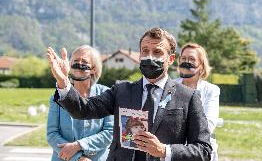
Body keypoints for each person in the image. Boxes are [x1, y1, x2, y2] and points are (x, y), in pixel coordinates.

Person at [47, 27, 212, 161]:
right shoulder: (121, 90)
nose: (149, 56)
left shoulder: (188, 97)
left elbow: (203, 150)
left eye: (157, 52)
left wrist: (164, 151)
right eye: (145, 51)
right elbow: (82, 109)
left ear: (170, 59)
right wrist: (63, 82)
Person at [47, 45, 114, 161]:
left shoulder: (105, 93)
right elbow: (52, 134)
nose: (79, 64)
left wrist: (79, 145)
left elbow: (110, 132)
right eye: (75, 60)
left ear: (93, 68)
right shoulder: (57, 96)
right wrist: (78, 158)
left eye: (84, 61)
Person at [175, 42, 220, 161]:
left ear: (201, 65)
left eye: (192, 59)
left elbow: (208, 124)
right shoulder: (169, 86)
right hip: (173, 150)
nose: (186, 62)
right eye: (183, 58)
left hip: (200, 150)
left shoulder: (211, 90)